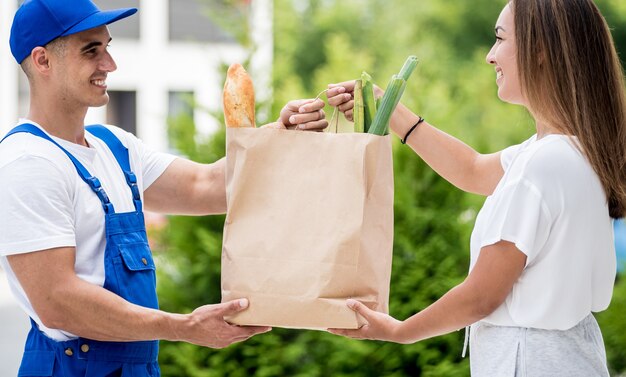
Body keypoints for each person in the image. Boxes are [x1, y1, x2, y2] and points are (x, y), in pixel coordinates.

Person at [0, 0, 328, 375]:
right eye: (91, 51)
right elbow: (58, 301)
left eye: (107, 48)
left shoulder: (115, 146)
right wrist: (183, 327)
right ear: (42, 61)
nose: (109, 65)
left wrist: (280, 138)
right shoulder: (29, 162)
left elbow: (205, 186)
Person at [327, 0, 626, 375]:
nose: (489, 56)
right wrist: (389, 110)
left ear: (540, 51)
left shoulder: (543, 165)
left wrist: (399, 331)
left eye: (500, 40)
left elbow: (482, 295)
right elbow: (471, 169)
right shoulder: (568, 151)